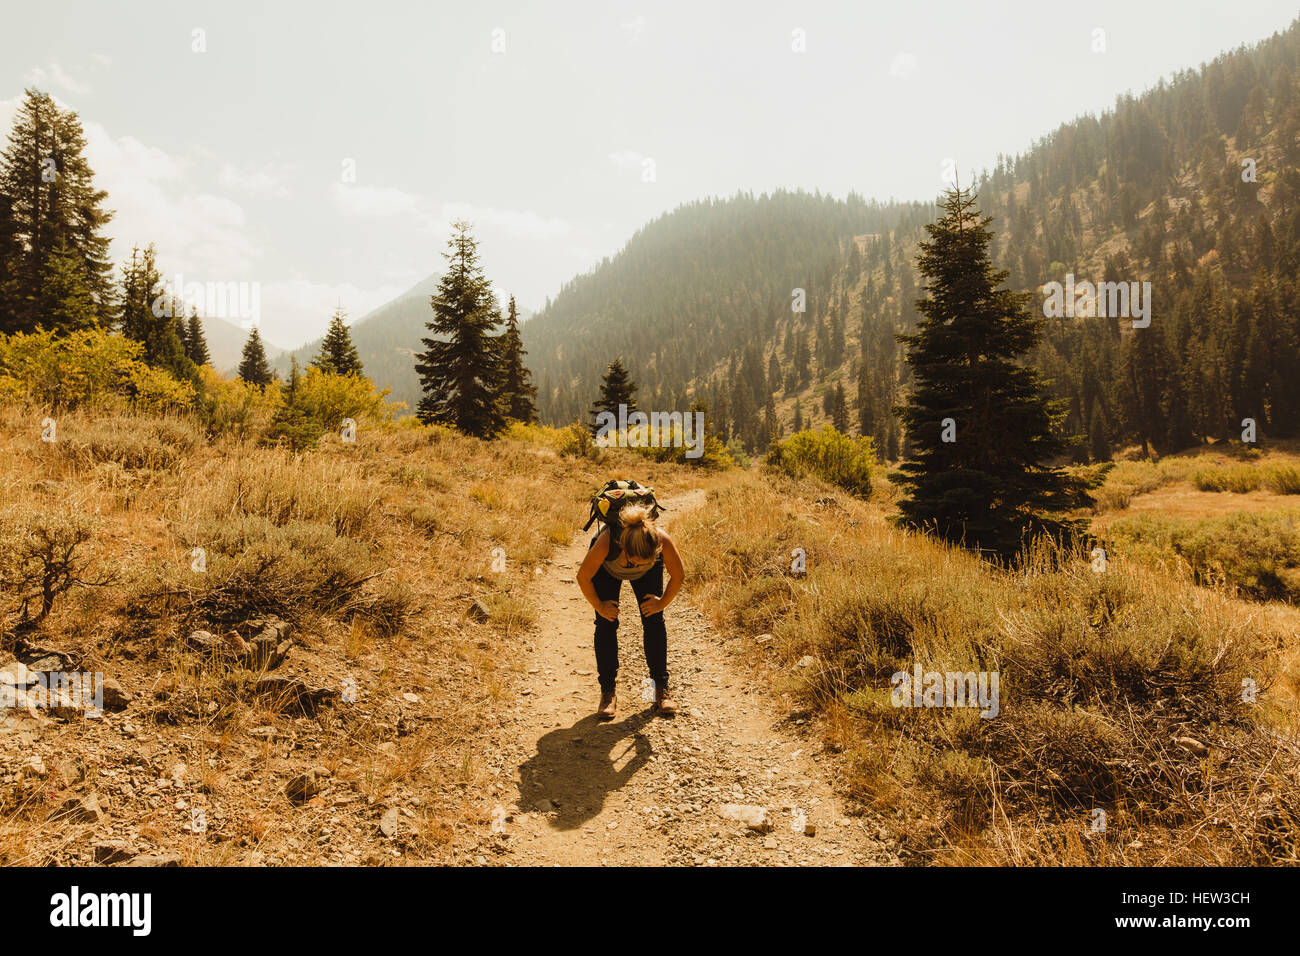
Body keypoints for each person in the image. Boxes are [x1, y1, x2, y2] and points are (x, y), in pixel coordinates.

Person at [577, 504, 684, 719]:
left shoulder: (660, 540)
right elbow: (583, 576)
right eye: (636, 563)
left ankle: (657, 690)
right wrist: (600, 605)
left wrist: (661, 603)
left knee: (653, 620)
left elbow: (678, 575)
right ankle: (608, 692)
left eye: (647, 562)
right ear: (625, 550)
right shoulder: (607, 543)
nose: (639, 566)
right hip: (608, 570)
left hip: (643, 566)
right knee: (606, 622)